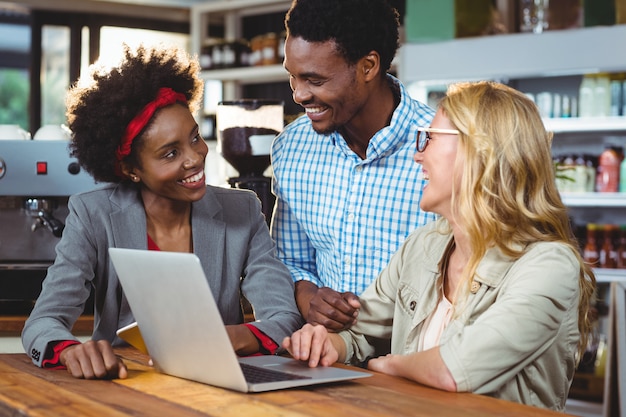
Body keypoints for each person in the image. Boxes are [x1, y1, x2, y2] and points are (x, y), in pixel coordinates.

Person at [282, 81, 597, 411]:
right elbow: (360, 333)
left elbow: (455, 369)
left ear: (478, 151)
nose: (418, 155)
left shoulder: (549, 265)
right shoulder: (425, 245)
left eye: (429, 138)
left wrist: (389, 365)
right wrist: (325, 343)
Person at [22, 44, 303, 380]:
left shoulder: (241, 210)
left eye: (194, 137)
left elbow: (284, 316)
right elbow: (43, 321)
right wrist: (69, 350)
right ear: (131, 170)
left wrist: (231, 338)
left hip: (217, 382)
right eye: (170, 154)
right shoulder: (92, 214)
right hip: (123, 382)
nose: (195, 158)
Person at [270, 0, 437, 331]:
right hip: (325, 355)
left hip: (415, 361)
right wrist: (310, 299)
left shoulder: (442, 148)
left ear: (368, 66)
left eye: (314, 80)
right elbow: (291, 261)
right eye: (293, 77)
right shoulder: (292, 148)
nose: (299, 95)